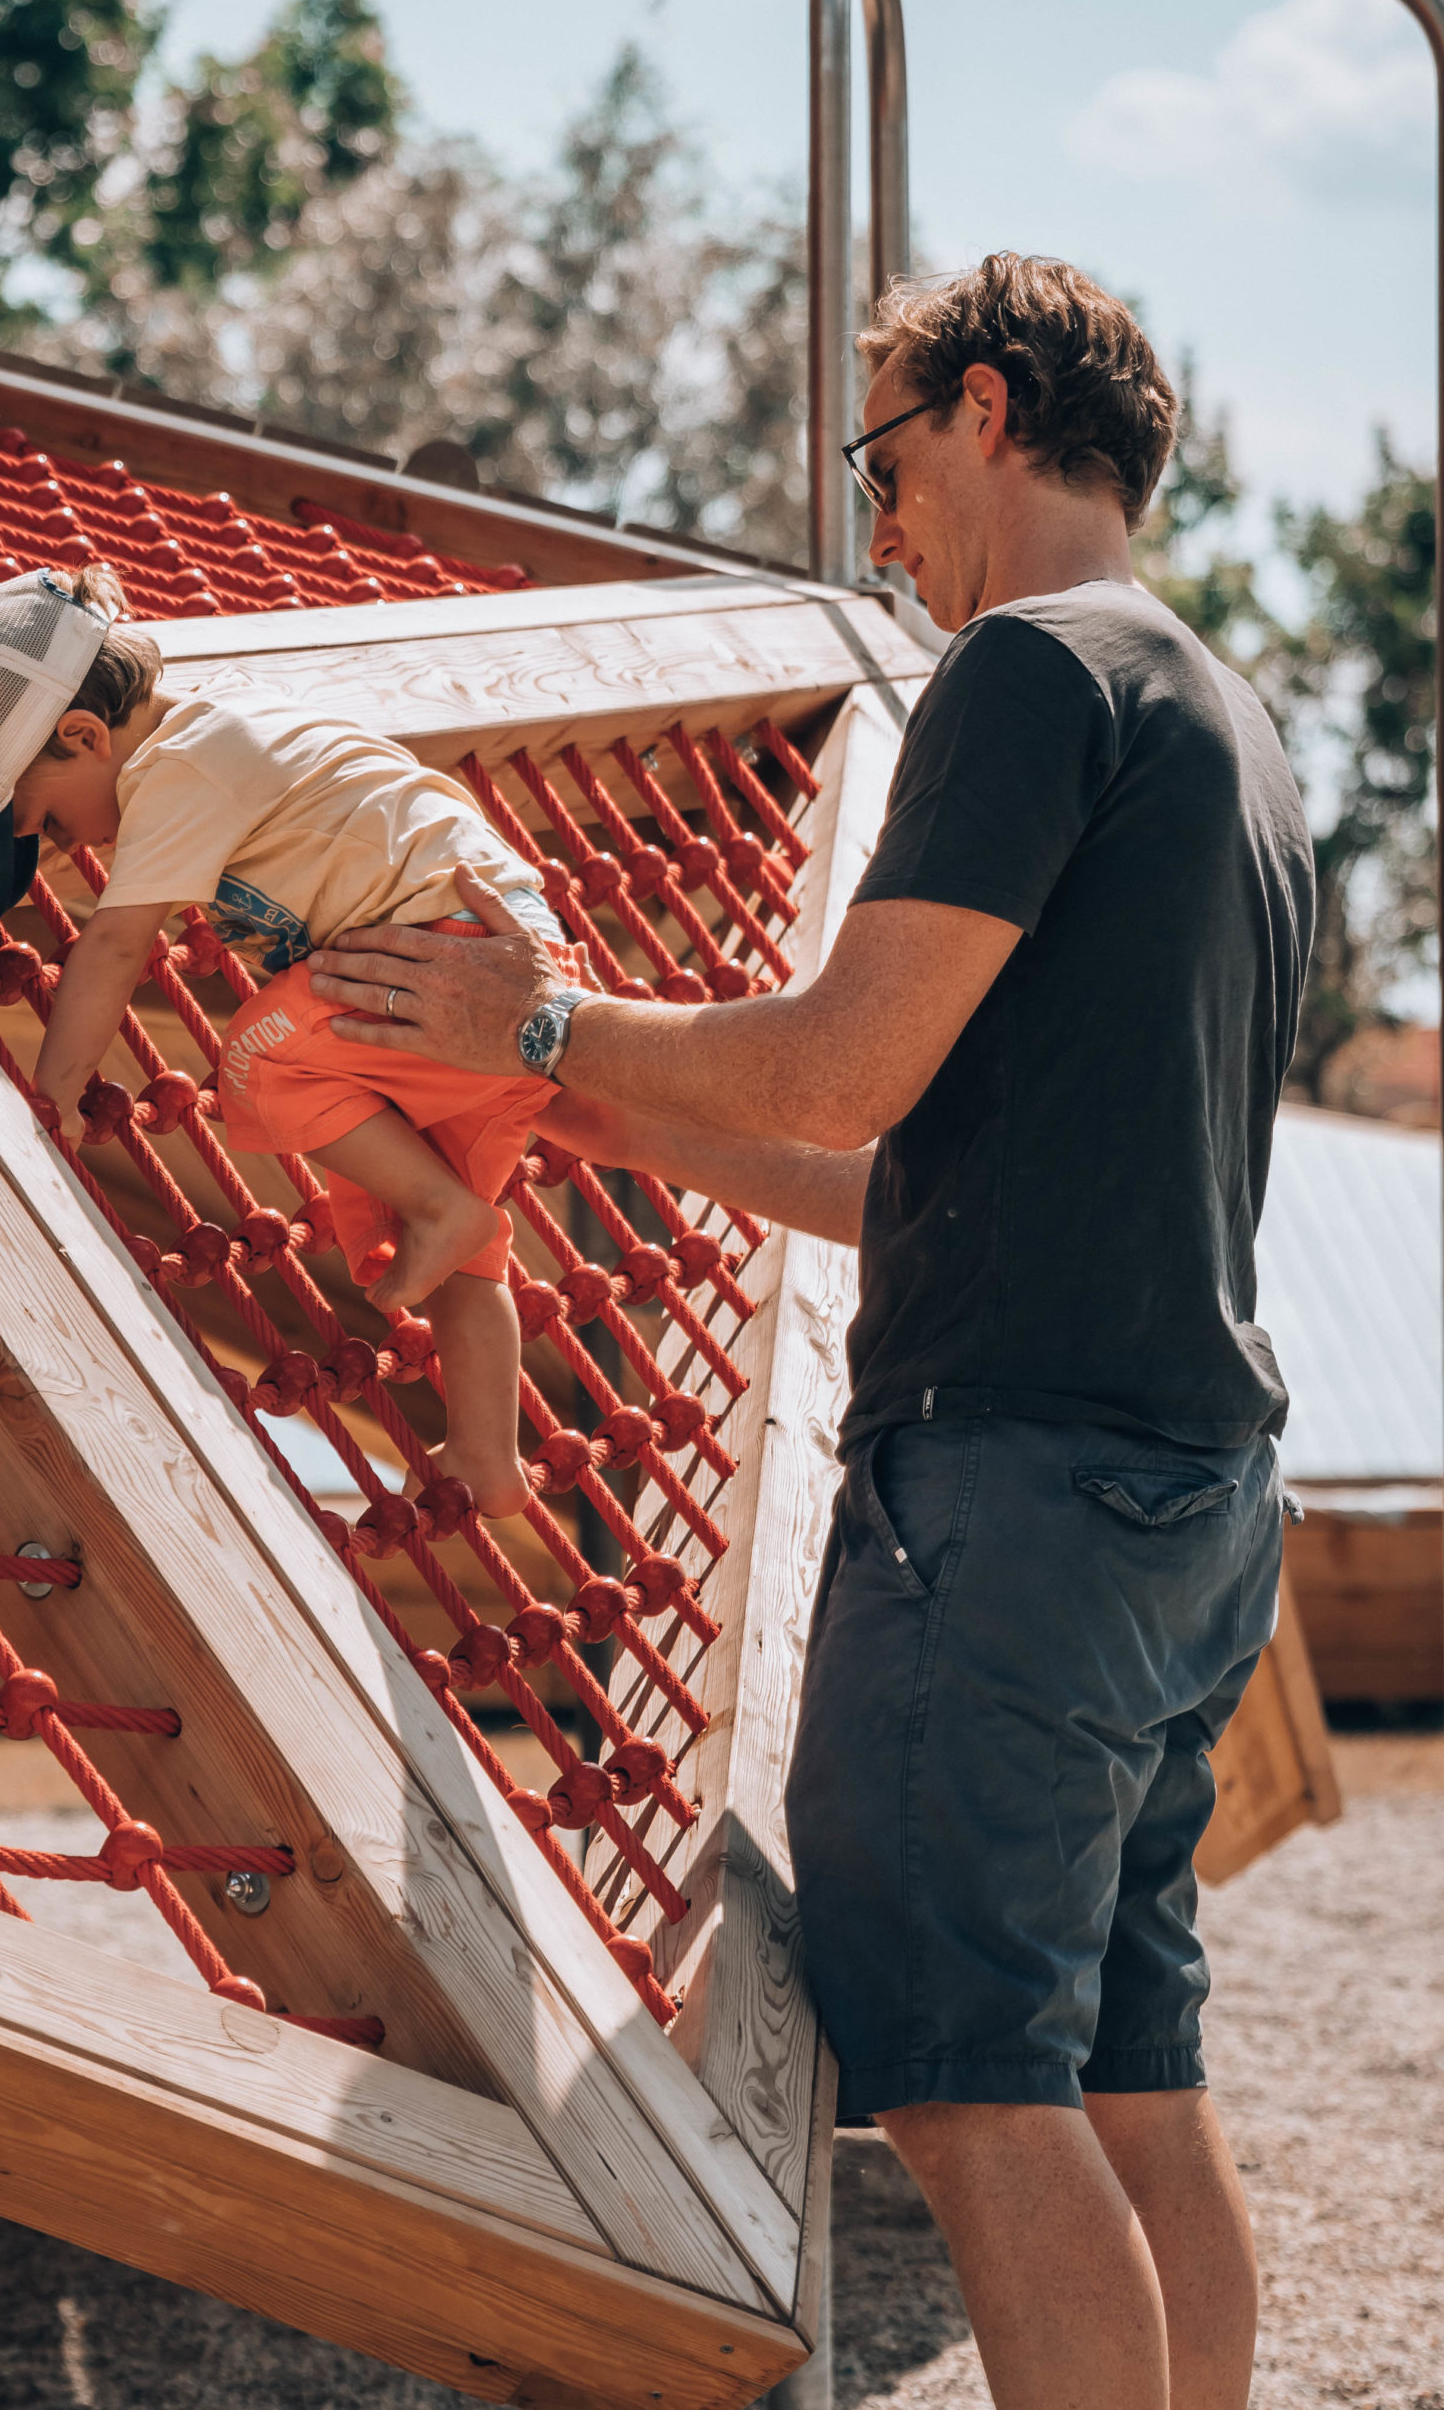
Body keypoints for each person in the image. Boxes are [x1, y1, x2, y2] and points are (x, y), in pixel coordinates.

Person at [304, 253, 1314, 2410]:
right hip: (1186, 1501)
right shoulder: (1227, 727)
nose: (876, 530)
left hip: (1014, 1500)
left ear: (980, 408)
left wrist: (536, 1021)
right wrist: (598, 1110)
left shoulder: (1027, 669)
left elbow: (842, 1066)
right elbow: (938, 1178)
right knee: (1128, 2069)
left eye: (879, 465)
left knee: (969, 2089)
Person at [0, 559, 583, 1518]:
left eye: (42, 818)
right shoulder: (223, 733)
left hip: (446, 953)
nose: (63, 847)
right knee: (434, 1217)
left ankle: (443, 1214)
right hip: (502, 974)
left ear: (85, 736)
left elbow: (116, 945)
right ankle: (487, 1456)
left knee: (256, 1063)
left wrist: (48, 1101)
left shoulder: (181, 764)